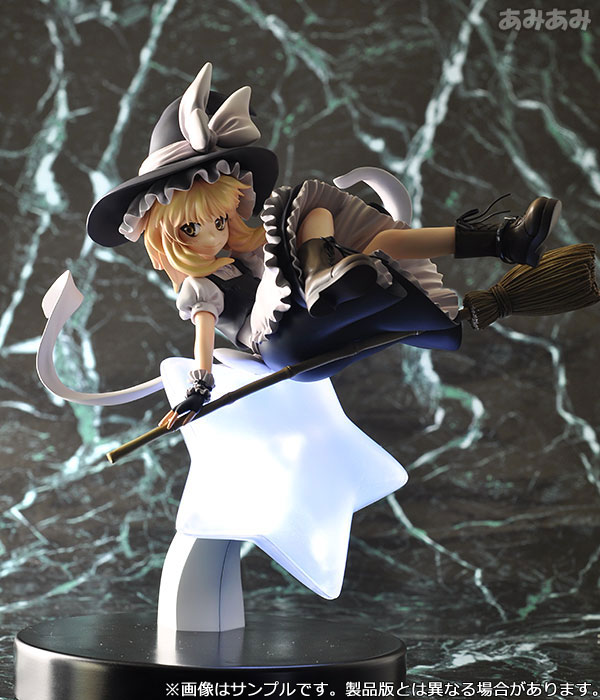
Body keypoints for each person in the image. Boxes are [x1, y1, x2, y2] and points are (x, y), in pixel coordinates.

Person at [85, 63, 561, 428]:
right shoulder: (200, 287)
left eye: (220, 219)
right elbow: (204, 337)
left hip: (314, 332)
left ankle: (504, 241)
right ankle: (326, 279)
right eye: (192, 230)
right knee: (309, 208)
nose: (212, 234)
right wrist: (198, 388)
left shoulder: (250, 252)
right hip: (281, 343)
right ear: (166, 238)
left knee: (377, 244)